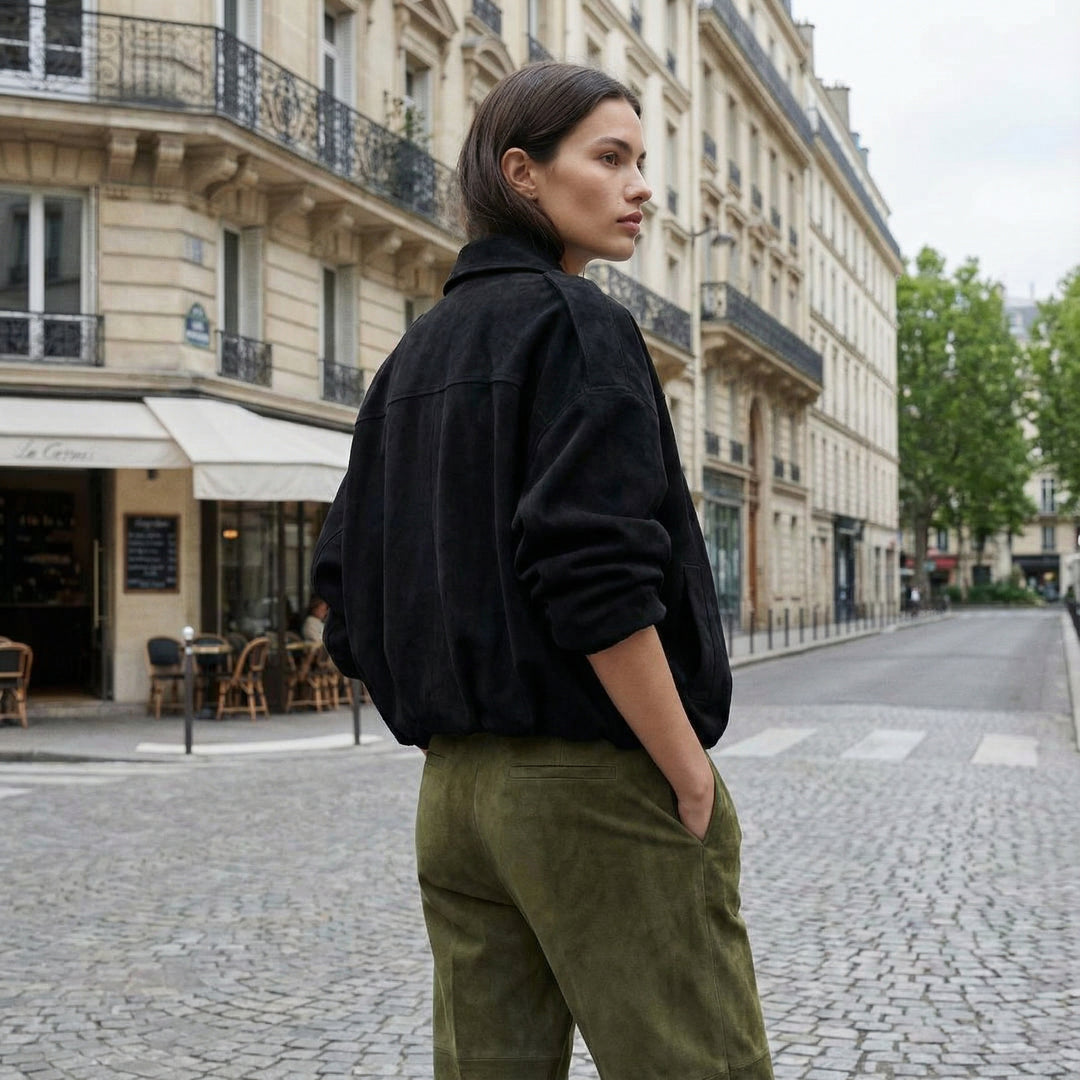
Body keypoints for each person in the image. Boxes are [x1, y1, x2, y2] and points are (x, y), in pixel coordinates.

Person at [313, 63, 773, 1080]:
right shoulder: (580, 324)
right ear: (522, 174)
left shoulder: (410, 361)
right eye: (609, 159)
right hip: (594, 780)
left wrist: (453, 720)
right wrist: (686, 770)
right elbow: (594, 575)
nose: (640, 187)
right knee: (697, 1063)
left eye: (641, 162)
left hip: (455, 800)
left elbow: (343, 592)